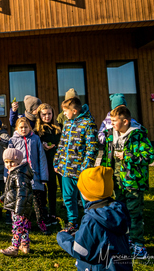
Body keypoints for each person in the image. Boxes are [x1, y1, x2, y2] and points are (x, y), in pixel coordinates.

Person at [101, 105, 154, 259]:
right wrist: (104, 172)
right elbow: (106, 157)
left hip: (133, 182)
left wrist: (128, 156)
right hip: (117, 182)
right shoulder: (111, 135)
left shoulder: (138, 135)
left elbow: (149, 156)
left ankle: (138, 245)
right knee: (120, 211)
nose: (111, 124)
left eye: (114, 121)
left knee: (134, 213)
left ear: (125, 121)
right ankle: (124, 241)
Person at [57, 166, 133, 271]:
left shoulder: (91, 218)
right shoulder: (118, 210)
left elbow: (82, 251)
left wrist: (63, 237)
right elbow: (103, 235)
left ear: (88, 191)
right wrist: (81, 234)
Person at [53, 96, 98, 234]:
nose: (64, 114)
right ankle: (72, 222)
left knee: (85, 199)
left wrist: (85, 167)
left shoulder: (88, 124)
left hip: (81, 171)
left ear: (74, 110)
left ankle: (88, 221)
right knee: (68, 197)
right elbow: (62, 144)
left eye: (66, 111)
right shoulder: (67, 123)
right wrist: (57, 161)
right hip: (65, 170)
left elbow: (92, 148)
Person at [8, 117, 50, 235]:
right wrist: (9, 175)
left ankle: (41, 222)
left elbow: (41, 157)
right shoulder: (13, 140)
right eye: (21, 127)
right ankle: (27, 223)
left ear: (30, 128)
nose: (24, 129)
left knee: (38, 202)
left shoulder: (35, 139)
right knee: (24, 202)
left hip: (35, 176)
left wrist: (44, 176)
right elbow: (9, 158)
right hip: (21, 177)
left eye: (26, 127)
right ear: (16, 128)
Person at [0, 148, 34, 257]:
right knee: (23, 227)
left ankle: (14, 247)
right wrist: (4, 197)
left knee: (17, 227)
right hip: (18, 205)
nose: (9, 164)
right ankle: (25, 245)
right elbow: (11, 190)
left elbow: (22, 193)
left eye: (12, 162)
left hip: (19, 207)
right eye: (6, 162)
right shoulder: (14, 173)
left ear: (18, 162)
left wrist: (19, 209)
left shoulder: (19, 175)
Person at [34, 103, 62, 225]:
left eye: (49, 114)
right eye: (44, 114)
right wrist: (43, 144)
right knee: (48, 188)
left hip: (59, 161)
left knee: (59, 188)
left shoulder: (58, 128)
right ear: (39, 115)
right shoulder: (37, 131)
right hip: (45, 163)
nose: (47, 116)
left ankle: (55, 212)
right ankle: (47, 213)